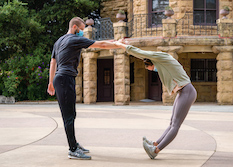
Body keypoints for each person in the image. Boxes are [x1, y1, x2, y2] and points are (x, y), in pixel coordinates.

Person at [47, 17, 122, 160]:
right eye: (82, 29)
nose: (83, 32)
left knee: (71, 114)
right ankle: (73, 149)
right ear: (75, 27)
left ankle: (74, 143)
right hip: (65, 79)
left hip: (60, 79)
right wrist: (118, 44)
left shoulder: (59, 41)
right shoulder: (74, 40)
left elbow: (53, 62)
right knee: (68, 116)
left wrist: (51, 82)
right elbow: (101, 45)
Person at [114, 39, 197, 159]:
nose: (155, 71)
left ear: (153, 63)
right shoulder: (162, 62)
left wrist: (122, 46)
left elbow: (141, 53)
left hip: (187, 91)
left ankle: (155, 150)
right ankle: (155, 144)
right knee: (172, 123)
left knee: (176, 125)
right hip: (182, 92)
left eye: (153, 69)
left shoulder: (161, 57)